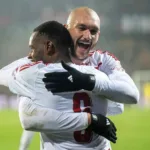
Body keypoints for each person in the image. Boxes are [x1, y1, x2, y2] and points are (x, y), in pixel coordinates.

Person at [0, 21, 117, 150]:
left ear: (49, 46)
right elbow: (119, 106)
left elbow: (2, 75)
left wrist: (89, 120)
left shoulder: (35, 75)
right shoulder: (98, 76)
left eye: (33, 49)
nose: (30, 55)